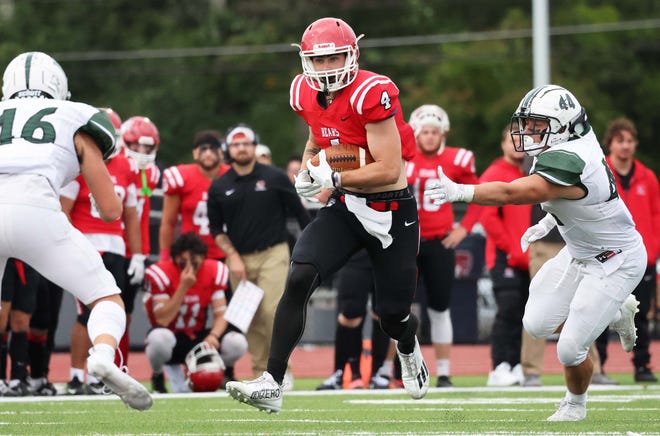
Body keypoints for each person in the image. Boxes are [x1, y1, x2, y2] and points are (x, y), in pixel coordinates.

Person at [225, 17, 427, 414]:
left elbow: (389, 168)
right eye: (318, 60)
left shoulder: (372, 92)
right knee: (299, 274)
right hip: (347, 206)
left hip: (391, 209)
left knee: (392, 316)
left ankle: (407, 345)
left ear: (352, 55)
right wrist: (305, 171)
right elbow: (319, 137)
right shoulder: (303, 91)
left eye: (335, 57)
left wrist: (333, 175)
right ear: (306, 62)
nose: (327, 68)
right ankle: (273, 382)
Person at [425, 84, 645, 422]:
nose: (527, 131)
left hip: (616, 260)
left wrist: (462, 191)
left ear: (564, 125)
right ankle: (614, 312)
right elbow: (571, 198)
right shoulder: (569, 145)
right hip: (579, 251)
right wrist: (548, 221)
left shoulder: (573, 157)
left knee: (570, 348)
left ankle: (575, 404)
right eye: (527, 123)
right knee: (536, 323)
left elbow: (513, 192)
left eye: (537, 125)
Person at [0, 51, 151, 410]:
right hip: (36, 208)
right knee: (105, 298)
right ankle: (100, 353)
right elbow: (113, 210)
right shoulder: (77, 116)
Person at [207, 124, 311, 378]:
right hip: (239, 257)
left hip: (273, 252)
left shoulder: (274, 177)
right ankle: (260, 372)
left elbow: (300, 214)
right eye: (236, 144)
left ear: (254, 147)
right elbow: (215, 228)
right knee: (249, 317)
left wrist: (310, 251)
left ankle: (281, 370)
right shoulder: (219, 186)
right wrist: (232, 256)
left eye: (246, 143)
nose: (241, 148)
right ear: (228, 150)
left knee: (271, 311)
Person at [60, 107, 143, 395]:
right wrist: (69, 246)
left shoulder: (127, 166)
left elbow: (130, 214)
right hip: (86, 244)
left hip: (116, 248)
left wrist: (139, 253)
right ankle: (74, 376)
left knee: (112, 310)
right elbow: (63, 211)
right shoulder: (78, 162)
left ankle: (99, 374)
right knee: (87, 314)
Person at [405, 104, 482, 387]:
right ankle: (396, 371)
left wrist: (464, 229)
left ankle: (445, 372)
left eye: (434, 131)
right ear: (415, 133)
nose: (428, 136)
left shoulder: (458, 159)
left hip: (439, 242)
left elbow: (477, 194)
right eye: (424, 131)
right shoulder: (403, 158)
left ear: (443, 134)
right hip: (407, 244)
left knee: (439, 308)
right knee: (400, 308)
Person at [143, 232, 247, 393]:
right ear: (175, 258)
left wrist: (213, 336)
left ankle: (222, 373)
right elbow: (162, 320)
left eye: (195, 262)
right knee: (159, 339)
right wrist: (183, 287)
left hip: (197, 337)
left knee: (237, 342)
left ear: (203, 258)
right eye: (184, 262)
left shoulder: (213, 270)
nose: (190, 267)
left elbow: (221, 314)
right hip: (172, 339)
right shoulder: (162, 273)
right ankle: (157, 374)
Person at [598, 117, 659, 383]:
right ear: (610, 143)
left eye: (630, 141)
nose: (625, 146)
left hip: (641, 257)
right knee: (598, 313)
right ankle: (597, 367)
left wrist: (653, 250)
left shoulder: (648, 177)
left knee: (641, 314)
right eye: (620, 140)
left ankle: (642, 365)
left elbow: (656, 216)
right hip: (608, 257)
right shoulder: (598, 172)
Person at [478, 127, 530, 387]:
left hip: (528, 258)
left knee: (525, 314)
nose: (517, 145)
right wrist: (510, 248)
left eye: (522, 140)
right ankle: (499, 366)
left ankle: (516, 363)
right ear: (502, 144)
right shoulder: (494, 173)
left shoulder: (530, 174)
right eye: (513, 140)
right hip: (505, 257)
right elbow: (488, 217)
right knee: (507, 310)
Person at [117, 115, 161, 367]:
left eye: (147, 147)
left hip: (131, 250)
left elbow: (142, 216)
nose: (142, 152)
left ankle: (119, 363)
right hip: (110, 244)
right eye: (136, 146)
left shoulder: (150, 173)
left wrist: (141, 252)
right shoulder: (114, 164)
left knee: (127, 312)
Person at [315, 250, 393, 391]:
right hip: (355, 254)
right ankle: (342, 373)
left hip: (385, 254)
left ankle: (377, 372)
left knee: (383, 315)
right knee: (350, 315)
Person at [159, 129, 230, 262]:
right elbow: (168, 222)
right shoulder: (182, 177)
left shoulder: (234, 177)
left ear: (222, 153)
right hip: (191, 254)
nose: (208, 153)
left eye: (213, 148)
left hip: (227, 254)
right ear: (194, 153)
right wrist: (165, 256)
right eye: (203, 149)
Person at [0, 259, 38, 396]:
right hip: (3, 258)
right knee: (1, 320)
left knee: (21, 321)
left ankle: (18, 377)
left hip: (25, 258)